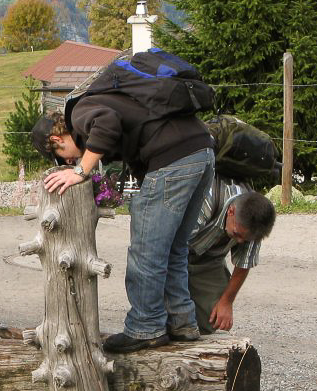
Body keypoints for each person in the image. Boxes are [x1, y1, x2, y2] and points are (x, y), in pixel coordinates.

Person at [32, 106, 214, 353]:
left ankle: (146, 327)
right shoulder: (93, 112)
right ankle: (182, 322)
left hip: (173, 160)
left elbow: (108, 122)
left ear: (56, 139)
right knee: (174, 247)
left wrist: (79, 171)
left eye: (64, 156)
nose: (70, 161)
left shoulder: (82, 116)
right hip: (201, 151)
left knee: (146, 251)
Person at [188, 177, 276, 333]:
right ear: (231, 211)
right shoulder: (205, 201)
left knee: (211, 319)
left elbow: (243, 264)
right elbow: (173, 249)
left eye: (246, 239)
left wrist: (226, 302)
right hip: (174, 256)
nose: (240, 241)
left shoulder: (255, 223)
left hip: (210, 261)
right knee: (172, 314)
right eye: (236, 234)